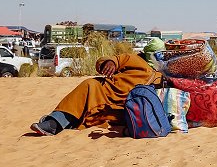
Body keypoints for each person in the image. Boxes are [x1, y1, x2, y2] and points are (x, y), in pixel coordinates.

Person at [30, 38, 166, 136]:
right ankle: (53, 124)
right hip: (104, 92)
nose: (162, 57)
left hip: (124, 107)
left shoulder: (162, 73)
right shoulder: (134, 59)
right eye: (159, 54)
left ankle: (63, 123)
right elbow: (111, 59)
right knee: (89, 85)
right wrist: (109, 63)